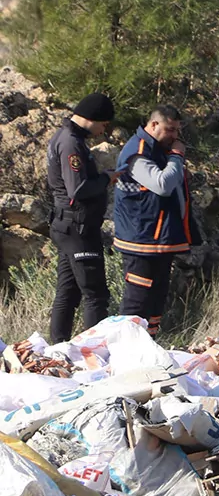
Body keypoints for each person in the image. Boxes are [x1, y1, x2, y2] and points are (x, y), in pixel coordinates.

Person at [112, 105, 201, 336]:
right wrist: (177, 157)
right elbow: (161, 185)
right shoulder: (138, 150)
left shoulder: (159, 148)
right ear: (153, 125)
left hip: (160, 241)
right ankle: (125, 353)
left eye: (177, 131)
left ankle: (148, 350)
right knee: (136, 302)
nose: (175, 136)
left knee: (155, 301)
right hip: (142, 240)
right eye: (170, 130)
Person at [46, 92, 121, 344]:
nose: (103, 129)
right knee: (96, 295)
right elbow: (78, 189)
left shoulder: (69, 137)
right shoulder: (71, 143)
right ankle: (94, 355)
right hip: (78, 228)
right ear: (92, 117)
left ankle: (59, 350)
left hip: (69, 225)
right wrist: (106, 178)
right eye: (103, 123)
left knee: (68, 292)